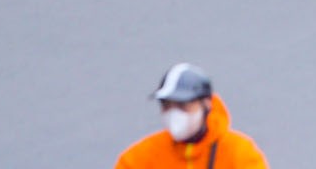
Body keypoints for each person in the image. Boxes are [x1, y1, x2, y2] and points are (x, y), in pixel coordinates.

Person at [115, 63, 269, 169]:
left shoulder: (239, 153)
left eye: (183, 105)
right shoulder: (139, 158)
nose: (174, 113)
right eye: (166, 106)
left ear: (206, 104)